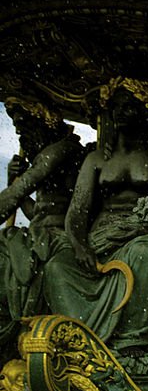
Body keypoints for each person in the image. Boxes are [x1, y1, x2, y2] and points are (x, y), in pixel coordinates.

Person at [43, 78, 148, 354]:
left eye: (129, 107)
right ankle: (79, 341)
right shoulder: (96, 160)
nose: (120, 112)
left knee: (145, 254)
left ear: (146, 114)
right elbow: (76, 213)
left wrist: (142, 225)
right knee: (56, 266)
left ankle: (134, 342)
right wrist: (80, 247)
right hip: (102, 238)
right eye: (116, 107)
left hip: (147, 233)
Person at [0, 97, 86, 358]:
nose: (19, 133)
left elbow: (17, 194)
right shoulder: (48, 153)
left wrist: (16, 187)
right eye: (16, 127)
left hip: (59, 235)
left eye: (24, 126)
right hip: (41, 233)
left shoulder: (60, 151)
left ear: (45, 122)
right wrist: (11, 180)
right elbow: (36, 212)